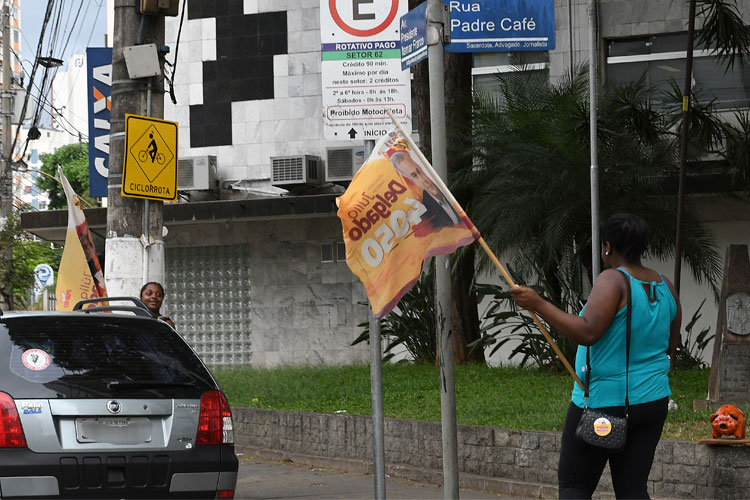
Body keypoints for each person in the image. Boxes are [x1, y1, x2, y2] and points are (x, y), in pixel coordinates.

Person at [510, 213, 681, 499]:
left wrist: (538, 303)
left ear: (607, 247)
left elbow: (587, 332)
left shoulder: (612, 281)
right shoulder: (666, 287)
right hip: (652, 404)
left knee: (575, 486)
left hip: (604, 405)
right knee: (632, 489)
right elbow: (669, 350)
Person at [389, 149, 460, 230]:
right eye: (414, 176)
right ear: (412, 182)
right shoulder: (425, 215)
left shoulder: (449, 189)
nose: (423, 179)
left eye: (419, 171)